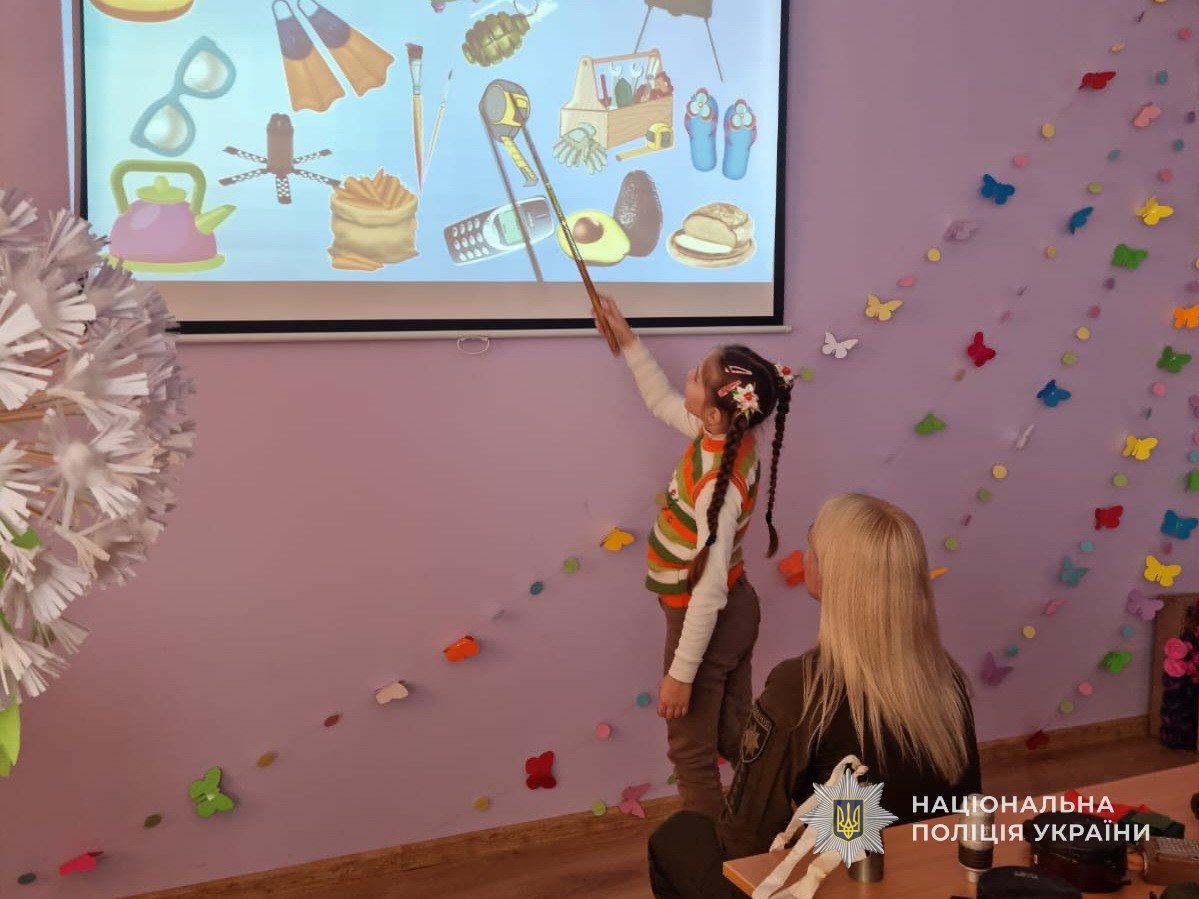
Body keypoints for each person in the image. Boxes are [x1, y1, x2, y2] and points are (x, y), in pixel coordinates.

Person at [648, 492, 983, 899]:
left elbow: (744, 845)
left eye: (812, 544)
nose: (806, 555)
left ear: (832, 575)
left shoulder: (801, 687)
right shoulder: (947, 678)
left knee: (677, 834)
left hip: (847, 881)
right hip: (928, 875)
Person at [593, 294, 793, 821]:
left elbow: (708, 589)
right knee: (735, 735)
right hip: (730, 610)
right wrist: (628, 339)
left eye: (697, 377)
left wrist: (681, 674)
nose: (688, 375)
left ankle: (712, 854)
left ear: (713, 413)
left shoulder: (718, 486)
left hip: (706, 616)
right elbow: (661, 400)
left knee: (690, 750)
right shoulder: (723, 438)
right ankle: (768, 824)